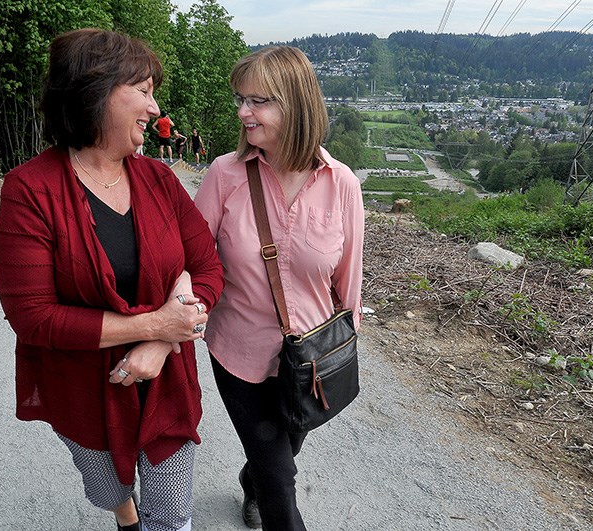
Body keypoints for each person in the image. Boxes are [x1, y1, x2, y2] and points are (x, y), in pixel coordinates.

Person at [0, 28, 224, 531]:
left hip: (167, 384)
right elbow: (33, 317)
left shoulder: (159, 180)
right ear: (95, 92)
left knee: (172, 512)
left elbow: (207, 267)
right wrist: (156, 325)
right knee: (106, 486)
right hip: (82, 388)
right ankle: (125, 518)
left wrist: (163, 341)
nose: (154, 106)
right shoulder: (30, 190)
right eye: (142, 90)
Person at [194, 45, 364, 530]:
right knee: (281, 480)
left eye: (258, 101)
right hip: (238, 353)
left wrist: (340, 353)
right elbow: (193, 257)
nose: (244, 112)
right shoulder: (226, 175)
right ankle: (265, 489)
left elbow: (348, 284)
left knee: (281, 452)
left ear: (296, 104)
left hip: (307, 361)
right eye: (240, 100)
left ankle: (252, 479)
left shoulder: (342, 184)